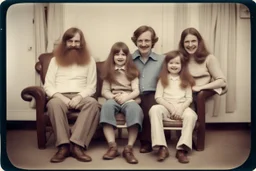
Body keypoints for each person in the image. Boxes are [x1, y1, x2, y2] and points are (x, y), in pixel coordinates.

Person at [43, 27, 100, 163]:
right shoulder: (54, 60)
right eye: (70, 41)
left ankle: (76, 145)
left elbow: (91, 86)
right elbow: (48, 86)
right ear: (65, 43)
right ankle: (63, 146)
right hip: (59, 96)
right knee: (53, 104)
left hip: (81, 96)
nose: (74, 45)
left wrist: (79, 97)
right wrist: (61, 97)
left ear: (82, 43)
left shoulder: (90, 60)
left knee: (93, 104)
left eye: (77, 41)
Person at [99, 42, 143, 164]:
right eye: (117, 54)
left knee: (135, 109)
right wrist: (113, 97)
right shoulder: (109, 71)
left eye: (123, 54)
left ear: (127, 57)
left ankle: (128, 148)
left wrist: (126, 97)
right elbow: (105, 91)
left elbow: (136, 90)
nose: (120, 57)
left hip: (129, 98)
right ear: (112, 56)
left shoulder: (132, 71)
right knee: (106, 107)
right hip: (113, 97)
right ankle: (112, 146)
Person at [149, 50, 196, 163]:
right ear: (166, 65)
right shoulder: (162, 79)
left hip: (181, 107)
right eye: (171, 63)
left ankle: (182, 149)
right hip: (166, 107)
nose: (174, 65)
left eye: (177, 63)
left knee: (191, 115)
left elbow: (189, 98)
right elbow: (158, 97)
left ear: (182, 65)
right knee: (154, 109)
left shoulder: (186, 80)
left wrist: (181, 108)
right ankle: (162, 147)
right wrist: (170, 107)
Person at [131, 25, 165, 153]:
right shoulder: (128, 59)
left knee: (149, 103)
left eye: (147, 41)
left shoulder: (162, 60)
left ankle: (146, 141)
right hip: (133, 93)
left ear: (153, 42)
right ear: (135, 42)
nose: (143, 44)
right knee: (138, 103)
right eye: (140, 41)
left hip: (154, 94)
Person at [178, 27, 227, 110]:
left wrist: (200, 87)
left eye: (193, 41)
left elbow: (222, 82)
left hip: (196, 95)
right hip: (180, 94)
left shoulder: (209, 58)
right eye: (187, 42)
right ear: (182, 44)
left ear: (199, 42)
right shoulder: (179, 58)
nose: (190, 45)